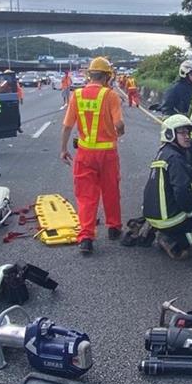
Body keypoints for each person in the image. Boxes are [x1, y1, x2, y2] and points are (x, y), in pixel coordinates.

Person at [59, 56, 125, 255]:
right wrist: (119, 132)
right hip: (107, 154)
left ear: (90, 75)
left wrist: (63, 149)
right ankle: (114, 228)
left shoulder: (77, 95)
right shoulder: (111, 96)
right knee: (111, 190)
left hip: (85, 153)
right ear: (107, 77)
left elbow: (67, 126)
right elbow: (119, 125)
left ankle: (86, 237)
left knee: (86, 196)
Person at [143, 115, 192, 260]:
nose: (187, 137)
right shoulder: (176, 158)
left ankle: (166, 232)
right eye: (182, 133)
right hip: (170, 219)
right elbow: (182, 191)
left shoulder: (163, 153)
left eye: (188, 133)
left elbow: (174, 185)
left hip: (155, 215)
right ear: (170, 134)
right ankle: (175, 241)